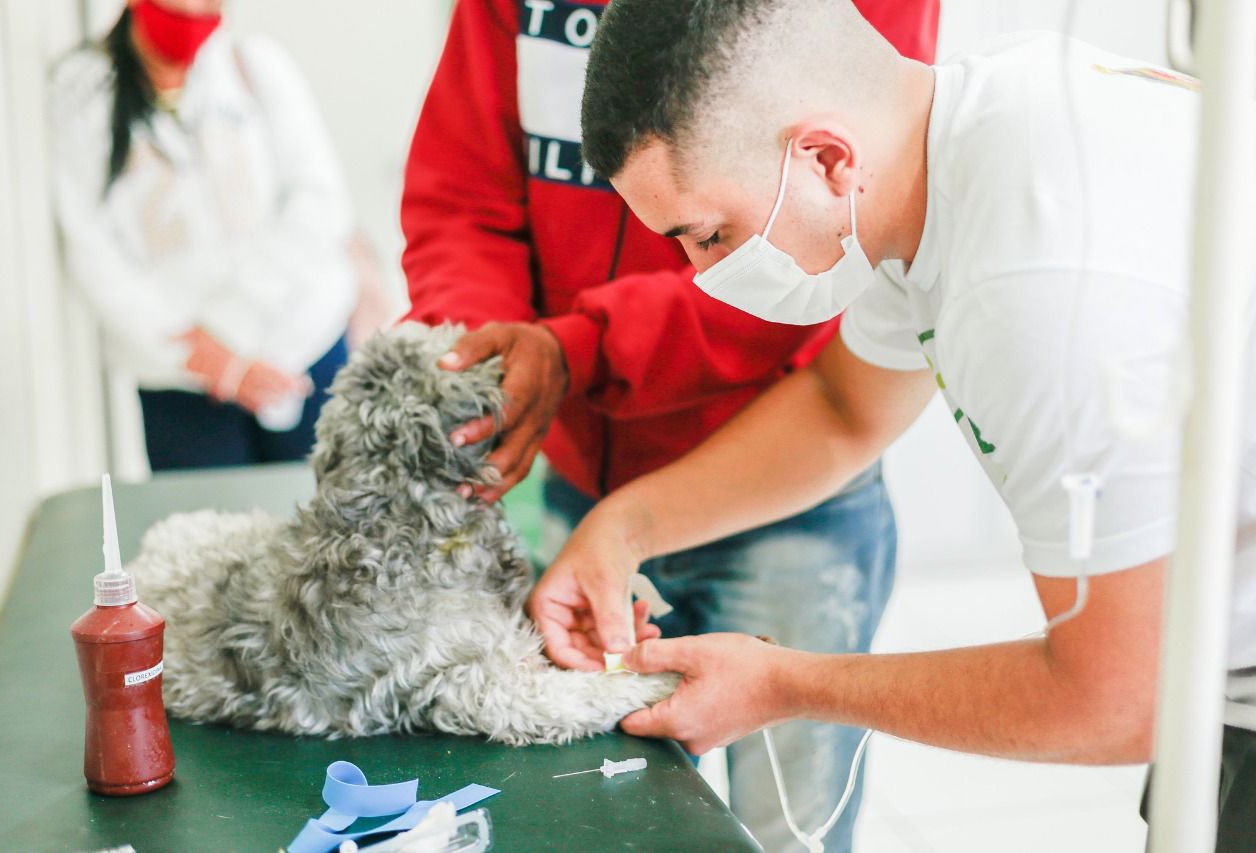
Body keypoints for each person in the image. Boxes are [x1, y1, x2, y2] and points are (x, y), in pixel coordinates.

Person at [534, 0, 1256, 849]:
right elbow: (844, 410)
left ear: (826, 157)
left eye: (710, 236)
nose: (699, 278)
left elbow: (1120, 698)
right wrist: (623, 529)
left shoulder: (1031, 291)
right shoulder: (954, 138)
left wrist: (786, 684)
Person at [399, 0, 938, 848]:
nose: (697, 258)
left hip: (786, 490)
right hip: (587, 484)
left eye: (704, 237)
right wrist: (498, 359)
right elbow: (461, 193)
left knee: (784, 830)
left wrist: (580, 348)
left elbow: (820, 246)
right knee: (603, 813)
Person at [51, 0, 356, 471]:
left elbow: (320, 205)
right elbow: (91, 248)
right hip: (181, 384)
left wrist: (228, 328)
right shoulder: (82, 92)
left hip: (301, 350)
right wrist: (204, 356)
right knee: (211, 533)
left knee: (334, 521)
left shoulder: (255, 65)